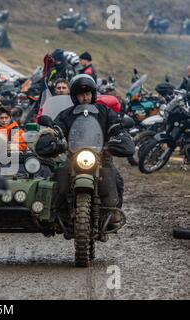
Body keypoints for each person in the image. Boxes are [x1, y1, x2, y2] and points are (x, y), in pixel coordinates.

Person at [35, 75, 134, 228]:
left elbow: (116, 127)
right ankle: (55, 214)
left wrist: (119, 135)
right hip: (73, 157)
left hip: (101, 157)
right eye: (81, 94)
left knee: (115, 178)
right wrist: (52, 137)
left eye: (88, 93)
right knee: (58, 176)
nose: (85, 97)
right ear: (75, 96)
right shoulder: (66, 114)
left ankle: (112, 214)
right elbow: (56, 129)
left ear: (93, 94)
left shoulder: (104, 112)